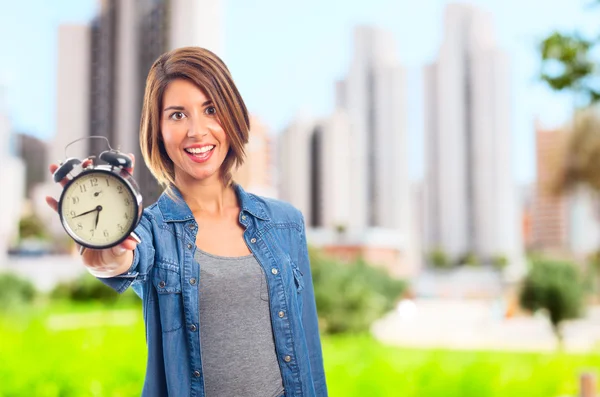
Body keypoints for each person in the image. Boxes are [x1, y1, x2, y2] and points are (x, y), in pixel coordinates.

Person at [46, 46, 327, 397]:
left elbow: (309, 357)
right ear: (159, 131)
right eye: (177, 115)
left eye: (210, 109)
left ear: (232, 115)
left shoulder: (286, 224)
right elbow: (124, 260)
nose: (197, 131)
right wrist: (105, 255)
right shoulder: (150, 230)